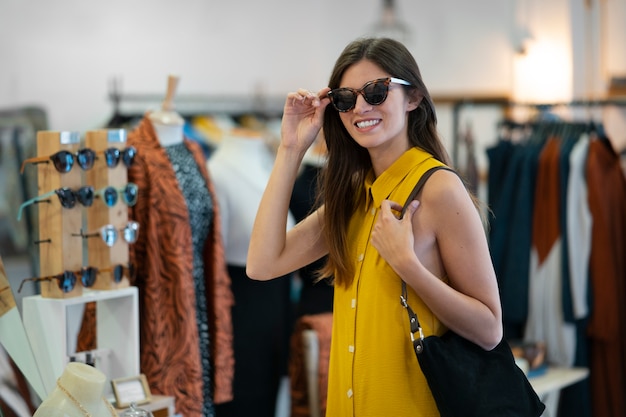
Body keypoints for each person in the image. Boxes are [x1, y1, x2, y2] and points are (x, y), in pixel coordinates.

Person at [247, 37, 503, 416]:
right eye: (346, 98)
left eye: (376, 91)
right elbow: (262, 264)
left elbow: (489, 329)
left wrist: (408, 265)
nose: (361, 107)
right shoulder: (353, 196)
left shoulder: (438, 189)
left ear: (413, 97)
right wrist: (290, 150)